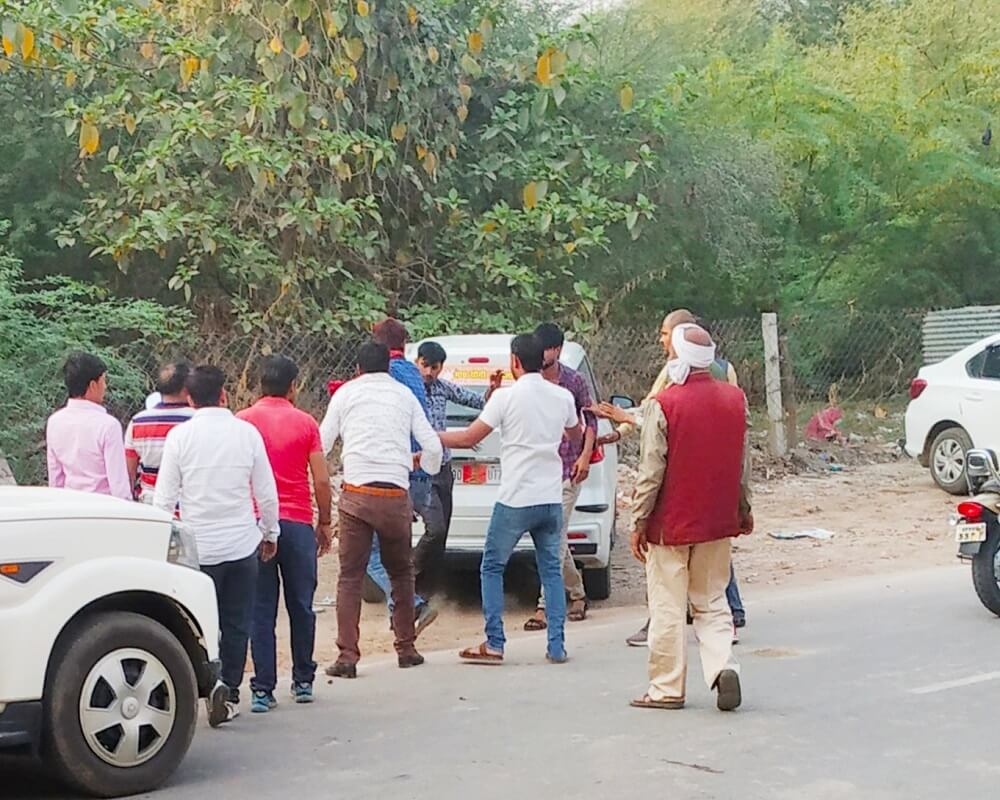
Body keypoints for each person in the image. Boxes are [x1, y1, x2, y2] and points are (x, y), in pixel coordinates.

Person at [593, 309, 746, 646]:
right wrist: (742, 504)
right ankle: (727, 629)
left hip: (680, 479)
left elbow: (654, 422)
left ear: (680, 339)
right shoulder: (728, 375)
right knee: (713, 553)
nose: (661, 340)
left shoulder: (671, 381)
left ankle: (665, 672)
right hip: (718, 476)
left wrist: (638, 519)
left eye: (665, 334)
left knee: (667, 578)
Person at [628, 323, 751, 712]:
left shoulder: (663, 404)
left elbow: (651, 473)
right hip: (717, 519)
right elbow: (742, 465)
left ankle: (666, 688)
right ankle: (722, 666)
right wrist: (743, 509)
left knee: (666, 603)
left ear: (677, 356)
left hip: (671, 524)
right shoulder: (735, 399)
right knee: (712, 599)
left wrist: (638, 521)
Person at [442, 334, 582, 665]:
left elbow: (468, 438)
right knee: (550, 569)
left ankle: (494, 642)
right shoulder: (561, 397)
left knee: (492, 565)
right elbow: (575, 435)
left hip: (516, 497)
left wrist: (428, 436)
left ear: (514, 362)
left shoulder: (505, 398)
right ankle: (557, 645)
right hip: (549, 497)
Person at [154, 365, 280, 727]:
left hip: (198, 550)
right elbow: (266, 493)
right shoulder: (247, 433)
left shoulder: (180, 437)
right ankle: (231, 688)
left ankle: (205, 686)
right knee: (238, 622)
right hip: (241, 544)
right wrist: (269, 533)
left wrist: (163, 540)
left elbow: (164, 498)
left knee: (199, 622)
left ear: (189, 398)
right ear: (224, 394)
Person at [319, 341, 443, 679]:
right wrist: (425, 469)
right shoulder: (404, 395)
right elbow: (432, 445)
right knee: (401, 573)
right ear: (389, 368)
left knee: (349, 577)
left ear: (358, 369)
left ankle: (347, 656)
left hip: (357, 495)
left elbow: (322, 442)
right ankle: (406, 648)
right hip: (394, 496)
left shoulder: (345, 394)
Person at [238, 355, 333, 712]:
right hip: (296, 523)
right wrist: (324, 523)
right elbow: (321, 479)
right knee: (301, 605)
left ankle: (263, 688)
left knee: (260, 609)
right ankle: (303, 680)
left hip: (257, 524)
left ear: (259, 384)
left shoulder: (243, 422)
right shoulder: (306, 423)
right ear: (294, 387)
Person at [364, 318, 439, 635]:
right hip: (419, 473)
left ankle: (412, 604)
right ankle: (401, 618)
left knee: (371, 556)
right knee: (397, 549)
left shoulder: (383, 377)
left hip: (391, 472)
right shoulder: (412, 372)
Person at [413, 341, 502, 599]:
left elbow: (476, 401)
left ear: (441, 368)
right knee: (435, 529)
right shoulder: (409, 390)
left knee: (442, 534)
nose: (429, 372)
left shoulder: (442, 388)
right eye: (425, 365)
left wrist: (492, 392)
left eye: (434, 367)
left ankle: (425, 592)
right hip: (421, 470)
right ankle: (408, 574)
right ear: (417, 363)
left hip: (443, 467)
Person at [524, 323, 596, 631]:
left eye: (545, 349)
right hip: (539, 472)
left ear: (556, 350)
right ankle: (577, 593)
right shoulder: (530, 381)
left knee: (553, 538)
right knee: (553, 537)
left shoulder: (573, 381)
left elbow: (590, 420)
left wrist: (585, 456)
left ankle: (545, 606)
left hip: (568, 469)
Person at [46, 351, 131, 501]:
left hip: (70, 509)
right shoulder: (108, 426)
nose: (105, 386)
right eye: (103, 381)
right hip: (103, 511)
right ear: (92, 385)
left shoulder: (54, 422)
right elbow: (119, 486)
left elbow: (56, 480)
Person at [124, 362, 194, 504]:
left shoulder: (138, 422)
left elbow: (129, 472)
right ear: (187, 387)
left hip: (151, 504)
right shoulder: (196, 419)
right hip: (190, 503)